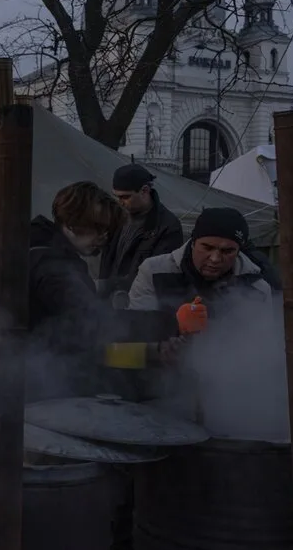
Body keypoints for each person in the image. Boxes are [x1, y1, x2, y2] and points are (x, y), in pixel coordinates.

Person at [25, 181, 128, 400]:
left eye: (108, 231)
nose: (104, 237)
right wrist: (153, 345)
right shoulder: (52, 266)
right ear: (71, 223)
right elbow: (93, 328)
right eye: (98, 228)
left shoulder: (40, 253)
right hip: (47, 387)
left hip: (40, 378)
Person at [128, 207, 273, 315]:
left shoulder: (257, 289)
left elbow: (262, 342)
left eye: (227, 251)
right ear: (193, 243)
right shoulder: (154, 271)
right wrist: (166, 337)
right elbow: (137, 329)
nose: (215, 259)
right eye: (207, 248)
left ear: (239, 251)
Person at [99, 164, 185, 300]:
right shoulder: (116, 216)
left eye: (125, 197)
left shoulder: (167, 226)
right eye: (117, 197)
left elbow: (158, 275)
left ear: (145, 191)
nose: (120, 202)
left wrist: (111, 286)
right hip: (107, 302)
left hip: (139, 303)